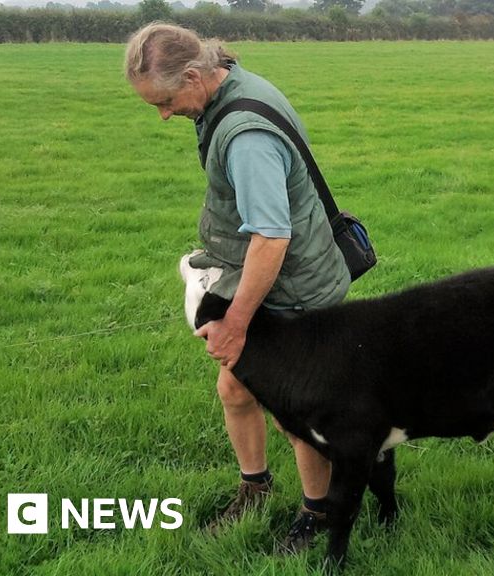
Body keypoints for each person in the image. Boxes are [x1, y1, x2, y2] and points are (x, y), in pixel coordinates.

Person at [124, 23, 351, 553]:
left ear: (195, 76)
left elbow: (271, 237)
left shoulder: (245, 134)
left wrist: (236, 323)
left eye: (164, 101)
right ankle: (256, 487)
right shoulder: (232, 84)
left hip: (293, 286)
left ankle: (318, 514)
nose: (162, 114)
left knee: (299, 410)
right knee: (236, 388)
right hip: (286, 272)